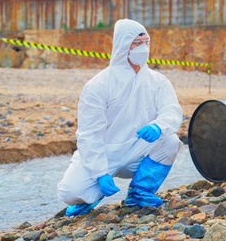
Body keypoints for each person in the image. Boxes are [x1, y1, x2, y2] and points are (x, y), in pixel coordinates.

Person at [57, 19, 183, 216]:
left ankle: (140, 192)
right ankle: (90, 197)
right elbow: (89, 134)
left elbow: (172, 110)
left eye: (146, 42)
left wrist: (159, 126)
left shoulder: (157, 81)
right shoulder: (99, 85)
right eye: (137, 43)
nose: (143, 48)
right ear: (124, 45)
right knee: (70, 192)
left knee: (170, 141)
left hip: (137, 150)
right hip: (104, 153)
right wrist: (99, 173)